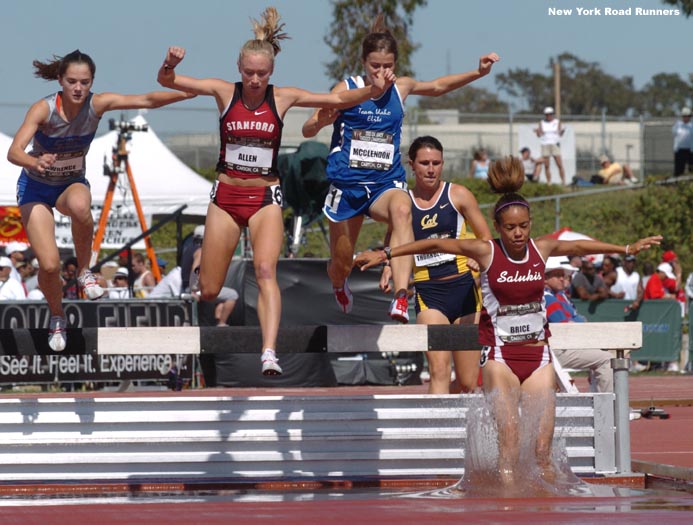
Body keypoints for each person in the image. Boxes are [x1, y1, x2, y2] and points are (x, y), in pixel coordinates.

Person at [354, 155, 661, 485]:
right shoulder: (487, 251)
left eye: (524, 226)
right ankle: (505, 506)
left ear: (531, 223)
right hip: (500, 357)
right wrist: (386, 254)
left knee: (543, 453)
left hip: (538, 356)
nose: (518, 234)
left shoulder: (541, 249)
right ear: (498, 227)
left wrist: (626, 247)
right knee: (510, 448)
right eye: (510, 228)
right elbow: (436, 241)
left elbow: (580, 245)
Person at [157, 8, 393, 375]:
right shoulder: (224, 92)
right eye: (249, 72)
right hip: (226, 197)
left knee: (266, 270)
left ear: (271, 73)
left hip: (266, 197)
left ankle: (269, 350)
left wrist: (375, 90)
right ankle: (213, 315)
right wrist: (169, 65)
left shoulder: (281, 97)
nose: (254, 80)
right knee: (208, 288)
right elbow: (169, 81)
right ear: (239, 67)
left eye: (261, 74)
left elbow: (333, 101)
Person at [302, 13, 499, 323]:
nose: (382, 72)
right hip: (348, 186)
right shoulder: (348, 86)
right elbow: (307, 130)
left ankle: (401, 295)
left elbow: (437, 86)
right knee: (341, 261)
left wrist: (478, 72)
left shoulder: (400, 88)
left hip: (385, 184)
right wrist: (322, 120)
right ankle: (339, 283)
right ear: (363, 63)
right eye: (375, 66)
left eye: (388, 66)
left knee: (403, 210)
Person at [6, 49, 195, 352]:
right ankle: (57, 315)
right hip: (36, 188)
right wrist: (32, 161)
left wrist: (188, 94)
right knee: (51, 265)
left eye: (85, 82)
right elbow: (13, 151)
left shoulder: (98, 104)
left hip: (70, 184)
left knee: (81, 206)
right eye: (72, 82)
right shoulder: (43, 110)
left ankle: (85, 272)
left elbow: (146, 100)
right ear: (60, 81)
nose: (78, 89)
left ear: (92, 82)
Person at [389, 136, 492, 394]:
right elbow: (393, 243)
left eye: (436, 163)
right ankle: (436, 434)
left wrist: (477, 257)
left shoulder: (458, 194)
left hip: (465, 291)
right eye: (424, 163)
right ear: (412, 165)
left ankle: (457, 429)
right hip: (429, 293)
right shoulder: (402, 203)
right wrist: (389, 267)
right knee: (438, 371)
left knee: (468, 383)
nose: (431, 169)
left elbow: (486, 237)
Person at [543, 256, 613, 393]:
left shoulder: (552, 297)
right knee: (608, 359)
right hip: (556, 351)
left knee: (614, 354)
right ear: (544, 279)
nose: (564, 278)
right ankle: (607, 407)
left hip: (557, 347)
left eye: (564, 275)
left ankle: (609, 402)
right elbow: (566, 328)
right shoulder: (548, 299)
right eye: (558, 276)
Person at [535, 107, 566, 185]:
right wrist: (537, 132)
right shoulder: (542, 122)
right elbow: (539, 135)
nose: (549, 116)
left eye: (550, 114)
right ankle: (549, 182)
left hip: (555, 144)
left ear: (552, 114)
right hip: (545, 145)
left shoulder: (557, 122)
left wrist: (562, 131)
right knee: (546, 165)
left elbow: (560, 134)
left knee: (559, 164)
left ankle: (563, 181)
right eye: (547, 114)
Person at [672, 107, 692, 176]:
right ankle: (677, 184)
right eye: (685, 116)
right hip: (679, 151)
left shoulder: (691, 126)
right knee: (679, 169)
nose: (686, 117)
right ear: (682, 116)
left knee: (691, 168)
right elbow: (674, 134)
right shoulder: (678, 125)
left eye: (688, 116)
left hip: (690, 151)